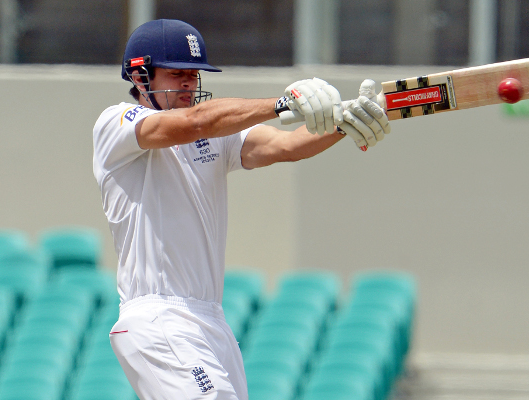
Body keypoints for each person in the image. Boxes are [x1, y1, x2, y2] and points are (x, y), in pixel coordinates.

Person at [92, 19, 390, 400]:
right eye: (177, 73)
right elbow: (196, 122)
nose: (188, 83)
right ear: (140, 75)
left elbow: (286, 147)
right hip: (157, 315)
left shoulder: (215, 134)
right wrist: (282, 103)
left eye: (194, 75)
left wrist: (345, 122)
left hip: (210, 320)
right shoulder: (116, 123)